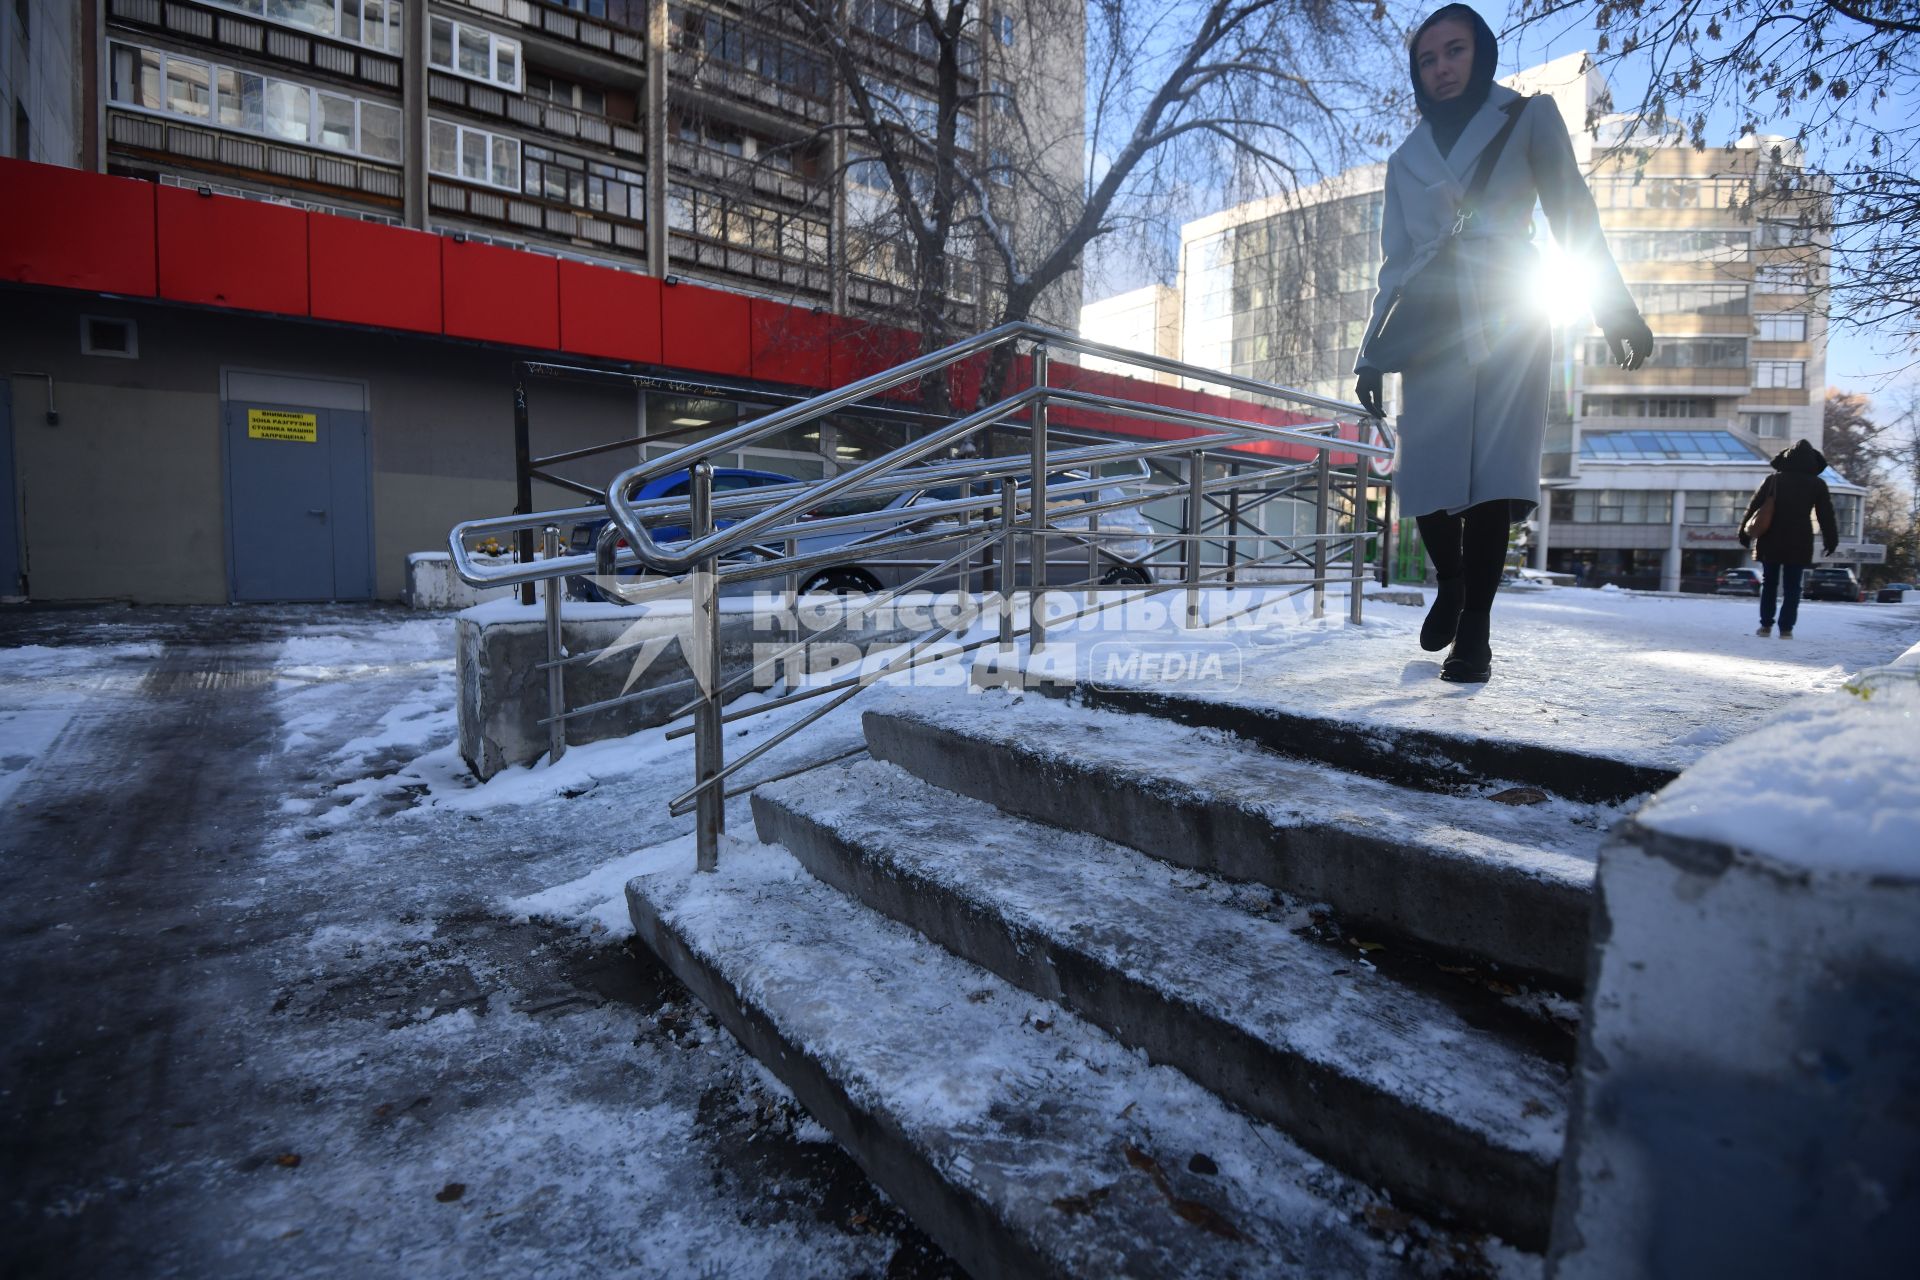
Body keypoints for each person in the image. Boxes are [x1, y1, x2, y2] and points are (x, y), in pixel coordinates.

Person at [1353, 4, 1654, 682]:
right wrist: (1371, 349)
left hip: (1512, 306)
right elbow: (1394, 262)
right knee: (1424, 471)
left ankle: (1477, 633)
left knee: (1493, 475)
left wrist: (1615, 310)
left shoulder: (1527, 117)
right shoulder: (1405, 158)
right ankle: (1452, 581)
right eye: (1428, 59)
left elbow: (1573, 214)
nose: (1442, 68)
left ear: (1480, 53)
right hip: (1432, 316)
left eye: (1454, 51)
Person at [1739, 439, 1838, 639]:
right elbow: (1825, 515)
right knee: (1793, 587)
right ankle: (1786, 629)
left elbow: (1754, 507)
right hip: (1799, 540)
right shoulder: (1817, 484)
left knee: (1769, 583)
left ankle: (1765, 625)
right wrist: (1831, 539)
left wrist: (1743, 531)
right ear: (1813, 462)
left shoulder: (1774, 480)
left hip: (1770, 538)